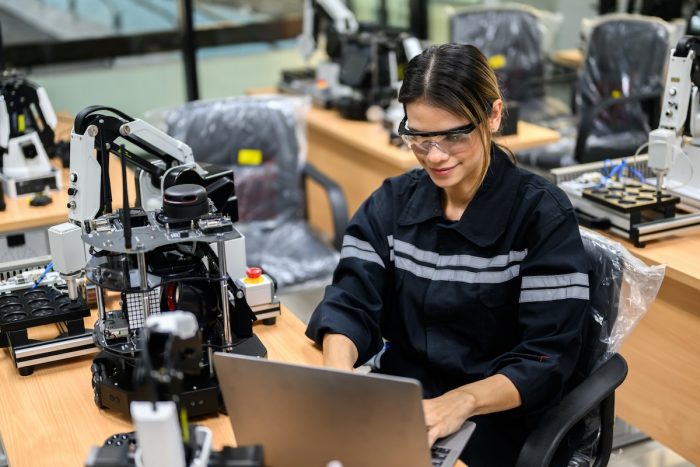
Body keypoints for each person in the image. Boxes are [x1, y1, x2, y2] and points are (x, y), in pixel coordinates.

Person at [305, 43, 589, 466]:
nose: (435, 156)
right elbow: (350, 301)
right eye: (418, 137)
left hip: (498, 419)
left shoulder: (541, 216)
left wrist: (462, 401)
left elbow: (546, 359)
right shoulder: (393, 204)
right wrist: (338, 379)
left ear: (493, 116)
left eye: (455, 136)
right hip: (405, 403)